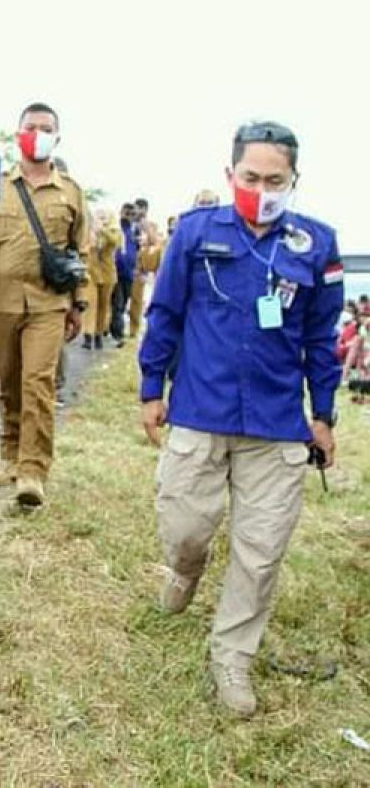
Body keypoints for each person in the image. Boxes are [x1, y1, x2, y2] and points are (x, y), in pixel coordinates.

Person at [140, 121, 342, 717]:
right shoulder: (198, 233)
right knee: (184, 525)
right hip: (201, 411)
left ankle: (233, 658)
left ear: (293, 180)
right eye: (250, 177)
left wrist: (323, 414)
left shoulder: (317, 244)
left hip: (278, 426)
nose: (262, 188)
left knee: (260, 551)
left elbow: (321, 339)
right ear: (229, 176)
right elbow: (167, 313)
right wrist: (153, 387)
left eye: (274, 179)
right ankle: (184, 570)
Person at [0, 102, 88, 509]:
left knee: (38, 383)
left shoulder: (71, 191)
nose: (37, 133)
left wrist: (79, 304)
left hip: (49, 302)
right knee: (8, 382)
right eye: (30, 126)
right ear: (17, 132)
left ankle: (33, 470)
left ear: (57, 137)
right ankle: (8, 454)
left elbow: (80, 251)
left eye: (45, 128)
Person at [83, 208, 122, 350]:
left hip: (107, 273)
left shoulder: (114, 230)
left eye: (104, 216)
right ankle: (87, 335)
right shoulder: (88, 231)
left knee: (103, 305)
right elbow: (84, 247)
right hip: (91, 272)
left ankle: (99, 334)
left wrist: (103, 231)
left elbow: (115, 242)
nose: (101, 219)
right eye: (99, 216)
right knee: (91, 302)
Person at [128, 198, 161, 338]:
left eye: (140, 209)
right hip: (126, 263)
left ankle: (133, 330)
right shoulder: (128, 224)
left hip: (140, 266)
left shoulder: (151, 225)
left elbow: (155, 242)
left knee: (136, 299)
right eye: (136, 209)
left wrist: (146, 227)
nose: (137, 212)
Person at [110, 202, 139, 345]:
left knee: (123, 302)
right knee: (118, 303)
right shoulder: (117, 228)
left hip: (129, 273)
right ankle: (117, 333)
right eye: (127, 213)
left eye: (131, 214)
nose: (129, 216)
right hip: (117, 271)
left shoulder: (133, 231)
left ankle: (114, 330)